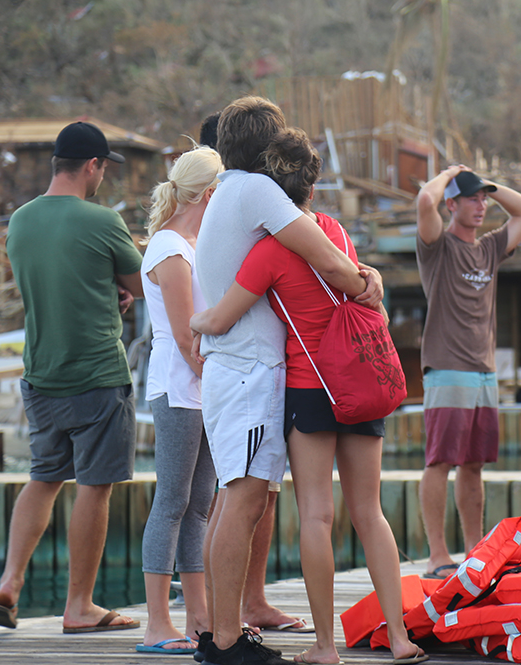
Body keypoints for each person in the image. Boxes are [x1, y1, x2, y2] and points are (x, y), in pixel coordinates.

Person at [191, 128, 428, 665]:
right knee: (372, 514)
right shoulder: (338, 236)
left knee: (317, 516)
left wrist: (194, 319)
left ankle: (325, 647)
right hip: (362, 382)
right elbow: (360, 283)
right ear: (312, 190)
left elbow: (223, 318)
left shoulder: (267, 252)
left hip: (310, 388)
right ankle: (398, 637)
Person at [0, 122, 144, 633]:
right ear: (93, 166)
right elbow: (142, 284)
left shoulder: (21, 222)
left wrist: (107, 290)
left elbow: (63, 279)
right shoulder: (102, 221)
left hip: (41, 375)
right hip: (95, 374)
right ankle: (79, 605)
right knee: (95, 487)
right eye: (104, 168)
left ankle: (10, 582)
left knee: (44, 477)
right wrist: (120, 291)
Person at [199, 110, 304, 634]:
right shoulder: (257, 190)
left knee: (231, 501)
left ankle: (220, 630)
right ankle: (223, 638)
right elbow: (321, 250)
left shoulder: (226, 190)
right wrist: (363, 277)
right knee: (242, 502)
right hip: (249, 370)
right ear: (270, 148)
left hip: (232, 367)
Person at [415, 165, 521, 578]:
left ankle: (474, 550)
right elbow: (423, 202)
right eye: (472, 198)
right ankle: (437, 555)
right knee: (440, 462)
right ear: (452, 204)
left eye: (483, 199)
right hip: (447, 370)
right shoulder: (438, 245)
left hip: (485, 372)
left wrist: (487, 183)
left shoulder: (488, 248)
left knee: (474, 465)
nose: (481, 205)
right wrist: (449, 173)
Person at [135, 146, 222, 653]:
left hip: (204, 386)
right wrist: (219, 384)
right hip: (180, 386)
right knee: (171, 500)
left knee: (200, 507)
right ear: (209, 193)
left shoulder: (196, 243)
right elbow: (189, 336)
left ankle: (198, 617)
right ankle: (156, 624)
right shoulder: (169, 248)